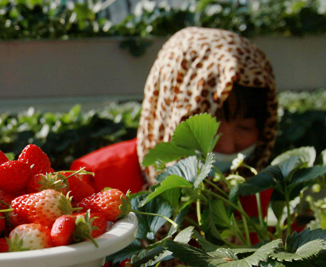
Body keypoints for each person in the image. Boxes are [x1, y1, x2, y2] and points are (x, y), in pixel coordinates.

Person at [71, 27, 279, 193]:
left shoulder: (263, 190)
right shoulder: (95, 180)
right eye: (209, 129)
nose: (226, 146)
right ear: (171, 112)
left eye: (244, 128)